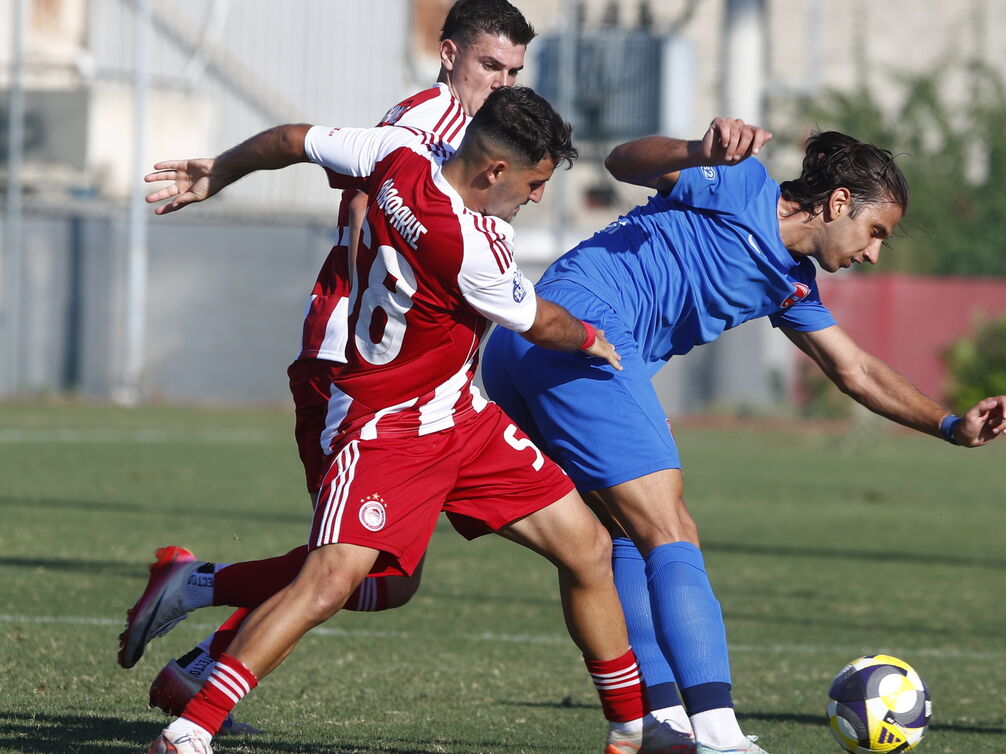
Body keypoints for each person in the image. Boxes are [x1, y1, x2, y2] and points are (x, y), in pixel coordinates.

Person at [134, 87, 696, 754]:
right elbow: (542, 322)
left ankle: (630, 730)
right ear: (495, 172)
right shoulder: (474, 249)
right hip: (387, 426)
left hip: (459, 414)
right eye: (536, 183)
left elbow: (290, 140)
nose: (537, 197)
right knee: (332, 582)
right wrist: (591, 338)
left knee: (586, 547)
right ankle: (191, 729)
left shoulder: (398, 152)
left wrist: (219, 171)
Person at [479, 118, 1006, 754]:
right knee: (672, 529)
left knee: (624, 535)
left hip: (519, 347)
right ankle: (719, 732)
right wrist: (696, 151)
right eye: (876, 233)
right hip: (578, 334)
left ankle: (662, 724)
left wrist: (951, 425)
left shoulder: (790, 283)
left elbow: (855, 369)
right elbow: (624, 160)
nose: (873, 253)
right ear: (838, 204)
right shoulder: (738, 182)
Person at [120, 0, 550, 738]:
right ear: (449, 56)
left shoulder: (483, 140)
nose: (503, 83)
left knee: (386, 578)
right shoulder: (419, 126)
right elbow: (358, 201)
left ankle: (198, 642)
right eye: (490, 66)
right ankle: (199, 669)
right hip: (351, 364)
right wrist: (224, 171)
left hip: (416, 383)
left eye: (514, 71)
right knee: (353, 567)